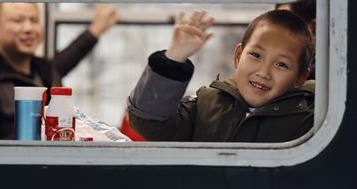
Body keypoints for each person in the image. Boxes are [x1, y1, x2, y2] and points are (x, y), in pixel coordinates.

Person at [127, 8, 314, 142]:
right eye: (256, 55)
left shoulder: (312, 119)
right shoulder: (206, 104)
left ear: (300, 78)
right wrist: (174, 58)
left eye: (281, 64)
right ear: (238, 56)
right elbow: (148, 124)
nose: (263, 73)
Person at [0, 2, 118, 139]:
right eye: (18, 21)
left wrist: (95, 30)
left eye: (34, 20)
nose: (28, 28)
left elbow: (66, 59)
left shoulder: (43, 70)